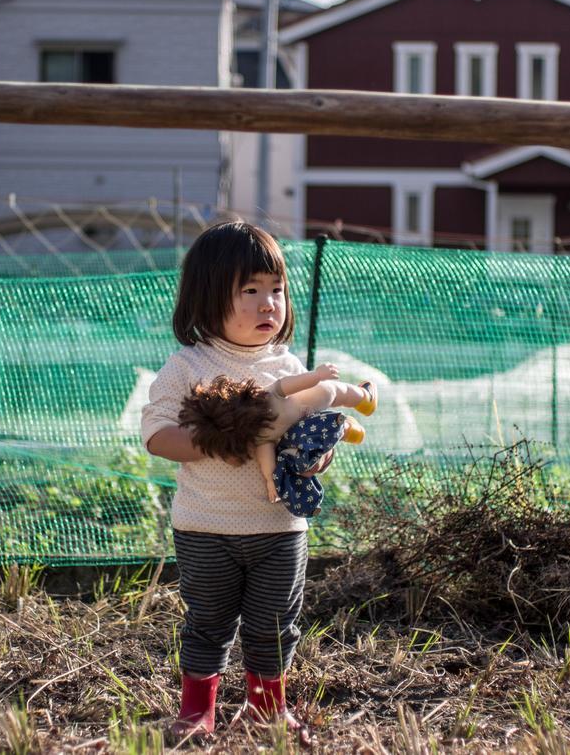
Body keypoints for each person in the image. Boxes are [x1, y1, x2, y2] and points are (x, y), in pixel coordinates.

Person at [141, 219, 328, 745]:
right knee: (208, 623)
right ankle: (197, 709)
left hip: (279, 527)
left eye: (277, 289)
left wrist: (316, 458)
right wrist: (230, 434)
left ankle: (267, 709)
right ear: (207, 297)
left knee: (274, 627)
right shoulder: (187, 367)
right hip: (205, 528)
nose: (269, 303)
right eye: (250, 290)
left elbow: (308, 435)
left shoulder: (290, 368)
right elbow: (157, 437)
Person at [176, 363, 378, 517]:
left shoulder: (266, 397)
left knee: (338, 391)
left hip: (318, 398)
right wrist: (272, 483)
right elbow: (268, 465)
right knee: (326, 423)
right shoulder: (259, 437)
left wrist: (317, 376)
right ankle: (348, 427)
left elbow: (288, 384)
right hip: (307, 426)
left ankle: (364, 398)